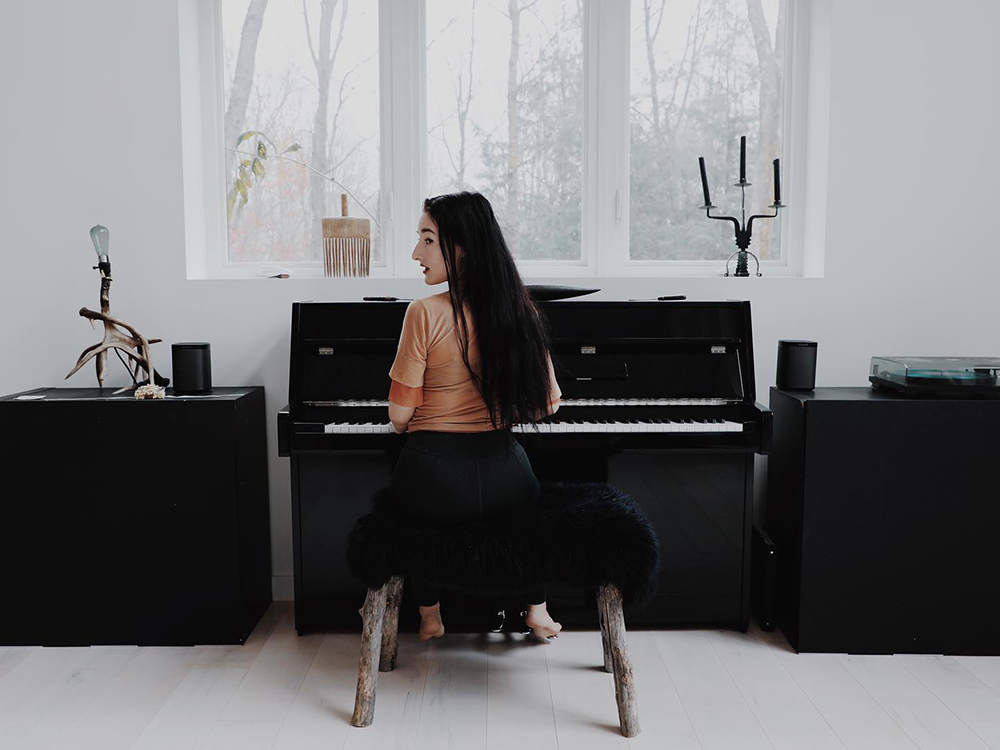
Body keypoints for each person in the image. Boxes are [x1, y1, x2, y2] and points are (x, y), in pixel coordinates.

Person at [386, 191, 563, 642]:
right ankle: (538, 609)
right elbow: (547, 404)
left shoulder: (423, 312)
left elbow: (399, 416)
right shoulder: (519, 311)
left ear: (461, 247)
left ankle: (430, 613)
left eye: (428, 240)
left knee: (416, 513)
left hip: (433, 475)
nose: (416, 253)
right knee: (529, 512)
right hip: (506, 475)